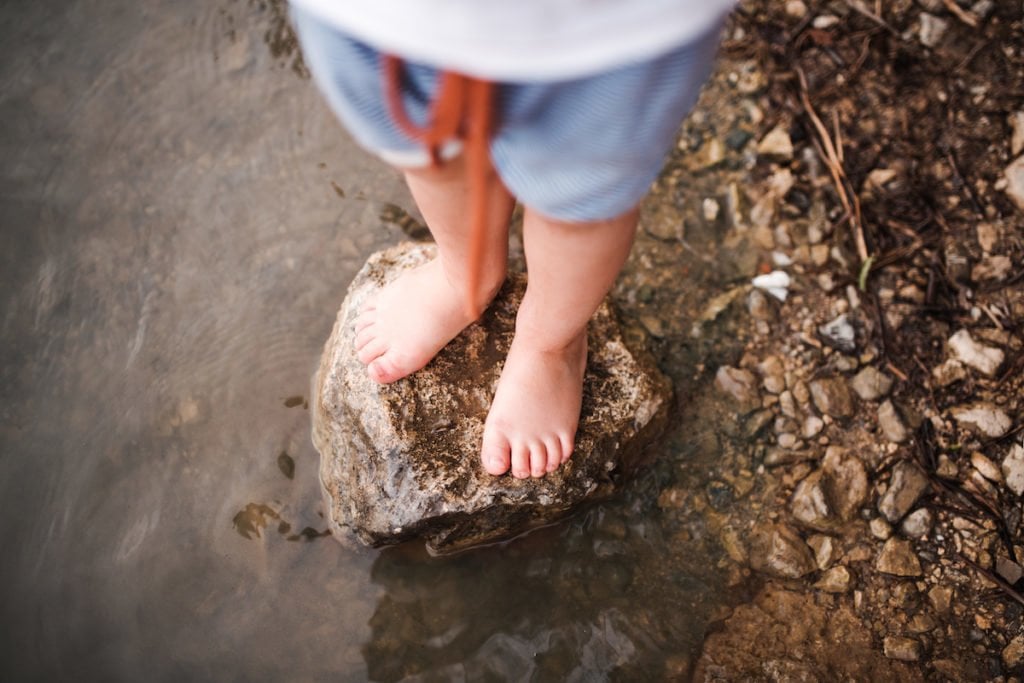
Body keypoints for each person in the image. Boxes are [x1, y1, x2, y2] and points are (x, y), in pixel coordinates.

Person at [290, 0, 735, 479]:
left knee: (580, 198)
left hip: (608, 28)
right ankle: (463, 274)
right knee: (428, 147)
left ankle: (551, 343)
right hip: (386, 16)